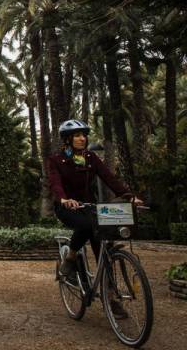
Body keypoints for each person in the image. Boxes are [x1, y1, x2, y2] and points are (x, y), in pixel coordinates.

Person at [50, 119, 143, 318]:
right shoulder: (57, 159)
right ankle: (71, 257)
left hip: (89, 206)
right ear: (67, 139)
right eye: (77, 135)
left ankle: (110, 298)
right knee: (85, 226)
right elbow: (55, 182)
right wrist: (64, 198)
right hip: (67, 207)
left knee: (103, 246)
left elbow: (109, 178)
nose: (82, 138)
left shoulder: (91, 158)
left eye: (84, 135)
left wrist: (129, 196)